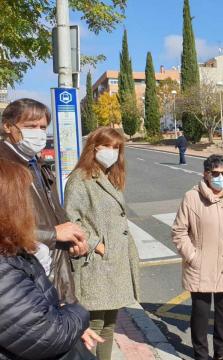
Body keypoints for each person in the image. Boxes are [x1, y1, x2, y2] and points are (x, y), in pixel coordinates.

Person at [0, 159, 103, 360]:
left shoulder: (10, 249)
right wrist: (77, 313)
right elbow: (49, 334)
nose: (29, 206)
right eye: (23, 198)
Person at [0, 98, 88, 305]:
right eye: (30, 126)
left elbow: (53, 213)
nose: (38, 133)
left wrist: (71, 239)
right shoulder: (5, 168)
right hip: (23, 282)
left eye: (42, 127)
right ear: (7, 126)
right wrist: (54, 234)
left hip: (52, 270)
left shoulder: (35, 163)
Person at [64, 127, 141, 360]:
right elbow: (70, 220)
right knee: (94, 325)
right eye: (107, 146)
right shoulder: (81, 179)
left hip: (113, 262)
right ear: (94, 147)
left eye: (117, 148)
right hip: (95, 263)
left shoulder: (109, 175)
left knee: (109, 325)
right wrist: (97, 245)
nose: (112, 152)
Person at [172, 154, 223, 360]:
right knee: (200, 314)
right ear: (206, 174)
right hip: (200, 266)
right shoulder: (192, 198)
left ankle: (221, 354)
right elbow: (179, 231)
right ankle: (200, 354)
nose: (221, 177)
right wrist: (193, 256)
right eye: (216, 173)